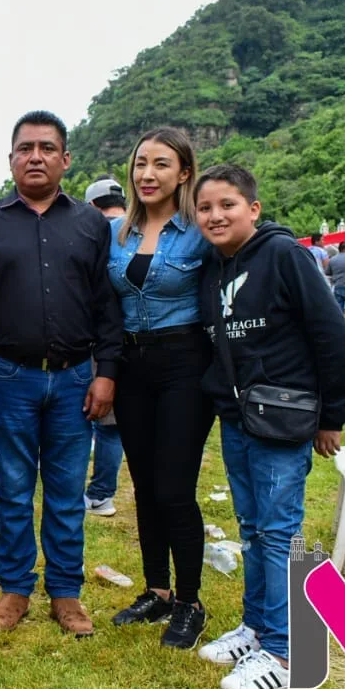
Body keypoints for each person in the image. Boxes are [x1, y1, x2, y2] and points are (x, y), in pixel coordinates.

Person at [0, 110, 120, 638]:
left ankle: (67, 594)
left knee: (68, 489)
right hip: (10, 376)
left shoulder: (90, 224)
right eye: (25, 148)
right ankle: (15, 588)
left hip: (75, 377)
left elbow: (106, 305)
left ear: (65, 159)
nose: (36, 156)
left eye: (47, 148)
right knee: (14, 487)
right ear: (11, 160)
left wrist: (106, 373)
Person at [193, 164, 345, 689]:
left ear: (254, 209)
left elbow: (331, 335)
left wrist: (332, 415)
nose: (216, 215)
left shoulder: (284, 255)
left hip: (283, 419)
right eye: (205, 207)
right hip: (239, 418)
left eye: (228, 205)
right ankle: (257, 628)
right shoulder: (213, 266)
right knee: (252, 527)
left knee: (280, 532)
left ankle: (287, 651)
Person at [105, 127, 212, 650]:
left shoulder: (199, 230)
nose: (147, 174)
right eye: (141, 162)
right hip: (131, 366)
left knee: (174, 487)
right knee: (144, 485)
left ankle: (191, 602)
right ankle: (158, 591)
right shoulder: (116, 234)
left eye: (162, 164)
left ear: (184, 173)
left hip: (184, 364)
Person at [84, 175, 127, 516]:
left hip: (100, 343)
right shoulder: (139, 229)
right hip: (144, 341)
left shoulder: (96, 234)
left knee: (103, 423)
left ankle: (100, 494)